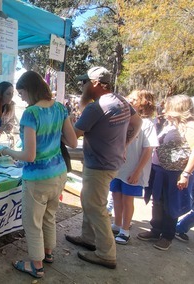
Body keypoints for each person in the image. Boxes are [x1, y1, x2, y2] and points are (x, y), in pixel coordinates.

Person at [0, 71, 77, 278]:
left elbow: (29, 155)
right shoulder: (60, 108)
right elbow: (73, 142)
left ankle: (36, 266)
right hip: (59, 173)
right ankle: (48, 254)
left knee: (32, 223)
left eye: (21, 92)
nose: (20, 97)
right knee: (49, 217)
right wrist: (53, 132)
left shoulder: (31, 113)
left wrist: (7, 151)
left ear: (30, 89)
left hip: (37, 179)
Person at [65, 66, 142, 269]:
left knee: (96, 207)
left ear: (96, 83)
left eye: (85, 82)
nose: (82, 86)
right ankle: (88, 238)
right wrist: (125, 144)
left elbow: (72, 138)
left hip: (99, 164)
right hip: (110, 161)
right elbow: (137, 122)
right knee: (90, 201)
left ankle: (106, 253)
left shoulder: (95, 107)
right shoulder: (121, 101)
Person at [137, 95, 194, 251]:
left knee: (170, 204)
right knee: (158, 201)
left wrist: (186, 173)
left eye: (168, 107)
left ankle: (167, 235)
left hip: (176, 172)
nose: (164, 110)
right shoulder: (171, 124)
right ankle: (156, 230)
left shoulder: (192, 126)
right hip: (161, 169)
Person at [110, 90, 159, 245]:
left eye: (133, 99)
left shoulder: (148, 124)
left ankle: (125, 230)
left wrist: (137, 171)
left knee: (127, 200)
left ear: (144, 103)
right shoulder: (124, 119)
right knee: (116, 195)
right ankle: (117, 224)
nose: (129, 100)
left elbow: (148, 149)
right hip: (118, 167)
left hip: (133, 169)